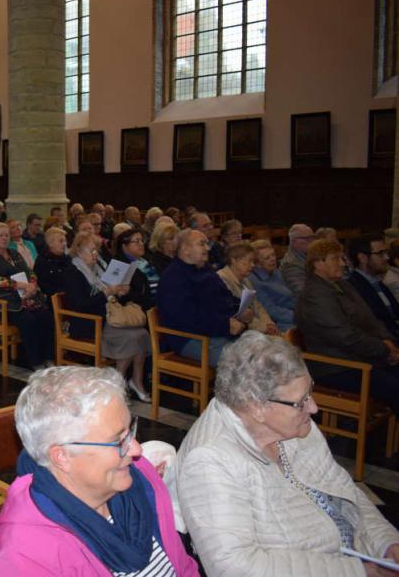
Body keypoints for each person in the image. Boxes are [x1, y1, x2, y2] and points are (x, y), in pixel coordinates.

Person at [167, 331, 399, 576]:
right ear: (256, 407)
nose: (314, 407)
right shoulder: (209, 461)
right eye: (302, 401)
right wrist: (357, 571)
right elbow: (233, 567)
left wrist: (386, 543)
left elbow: (345, 491)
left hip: (356, 555)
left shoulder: (294, 425)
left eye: (310, 392)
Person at [0, 366, 199, 576]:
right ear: (62, 457)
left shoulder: (140, 476)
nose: (136, 449)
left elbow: (183, 566)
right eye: (117, 441)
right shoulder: (24, 557)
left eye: (130, 431)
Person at [295, 239, 399, 411]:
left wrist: (388, 341)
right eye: (336, 259)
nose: (343, 263)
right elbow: (345, 337)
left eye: (342, 258)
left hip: (361, 356)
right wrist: (384, 349)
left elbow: (370, 319)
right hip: (337, 367)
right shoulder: (314, 295)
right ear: (318, 263)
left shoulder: (342, 284)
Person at [64, 234, 151, 402]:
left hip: (108, 316)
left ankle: (136, 381)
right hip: (89, 321)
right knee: (131, 337)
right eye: (91, 251)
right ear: (79, 251)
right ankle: (116, 385)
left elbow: (112, 299)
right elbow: (79, 305)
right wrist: (107, 293)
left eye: (97, 250)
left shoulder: (99, 268)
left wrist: (120, 292)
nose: (95, 254)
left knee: (142, 333)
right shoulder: (73, 272)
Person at [155, 229, 247, 367]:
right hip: (191, 338)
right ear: (185, 249)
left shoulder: (205, 269)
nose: (208, 248)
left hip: (219, 332)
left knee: (263, 354)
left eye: (207, 243)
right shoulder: (173, 278)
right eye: (202, 244)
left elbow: (225, 297)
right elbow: (188, 317)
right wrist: (225, 325)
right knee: (242, 364)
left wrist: (241, 309)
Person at [0, 222, 55, 369]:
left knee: (46, 316)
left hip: (24, 296)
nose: (5, 238)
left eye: (6, 235)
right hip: (0, 302)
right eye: (0, 235)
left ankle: (48, 357)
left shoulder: (15, 254)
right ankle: (35, 361)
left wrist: (32, 284)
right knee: (28, 320)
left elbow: (29, 272)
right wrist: (21, 285)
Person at [218, 242, 278, 335]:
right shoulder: (222, 280)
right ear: (234, 260)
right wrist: (264, 328)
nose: (253, 265)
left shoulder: (246, 280)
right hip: (239, 332)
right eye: (249, 261)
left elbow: (257, 306)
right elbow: (238, 315)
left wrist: (269, 323)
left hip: (256, 328)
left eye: (253, 261)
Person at [346, 235, 399, 340]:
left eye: (386, 252)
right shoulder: (353, 287)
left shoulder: (377, 282)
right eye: (380, 253)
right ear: (362, 258)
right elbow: (371, 326)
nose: (386, 257)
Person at [249, 239, 296, 332]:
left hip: (293, 312)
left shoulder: (275, 271)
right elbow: (270, 310)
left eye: (273, 255)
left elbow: (290, 295)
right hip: (281, 321)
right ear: (257, 263)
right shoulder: (254, 280)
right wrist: (298, 316)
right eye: (267, 258)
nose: (273, 259)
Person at [114, 228, 159, 304]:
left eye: (142, 240)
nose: (141, 244)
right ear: (124, 246)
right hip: (140, 308)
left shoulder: (145, 260)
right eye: (137, 241)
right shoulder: (118, 266)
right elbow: (120, 296)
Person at [33, 226, 71, 298]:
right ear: (50, 243)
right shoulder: (42, 262)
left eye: (65, 241)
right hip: (56, 301)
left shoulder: (67, 258)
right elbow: (44, 287)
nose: (65, 244)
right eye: (61, 241)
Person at [281, 223, 316, 296]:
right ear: (294, 241)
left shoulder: (311, 255)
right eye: (307, 238)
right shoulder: (291, 264)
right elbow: (302, 291)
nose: (312, 241)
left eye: (312, 237)